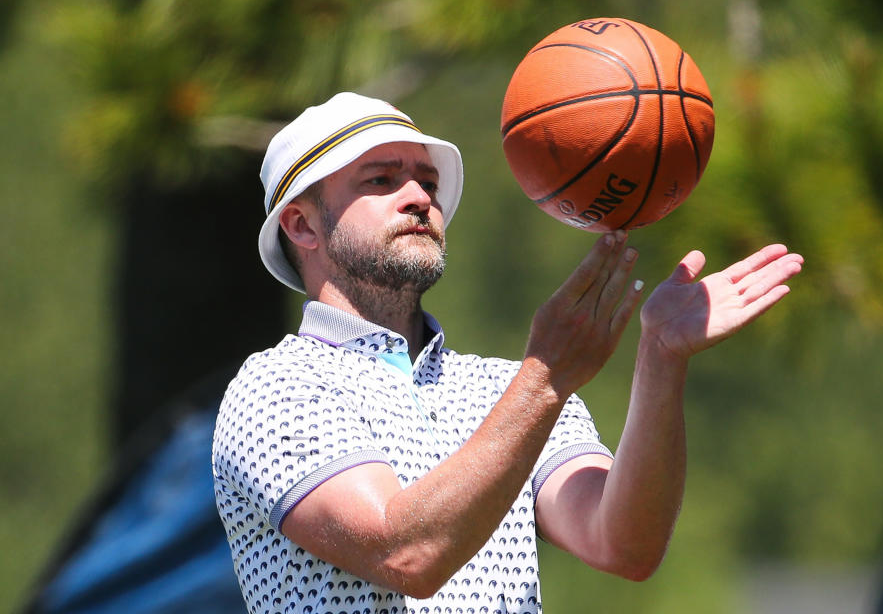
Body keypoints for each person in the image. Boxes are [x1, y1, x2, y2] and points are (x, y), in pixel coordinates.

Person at [212, 92, 804, 614]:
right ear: (301, 225)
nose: (419, 196)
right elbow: (406, 554)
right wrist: (545, 380)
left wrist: (661, 357)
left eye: (429, 182)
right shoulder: (274, 387)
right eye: (380, 180)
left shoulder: (505, 388)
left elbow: (623, 543)